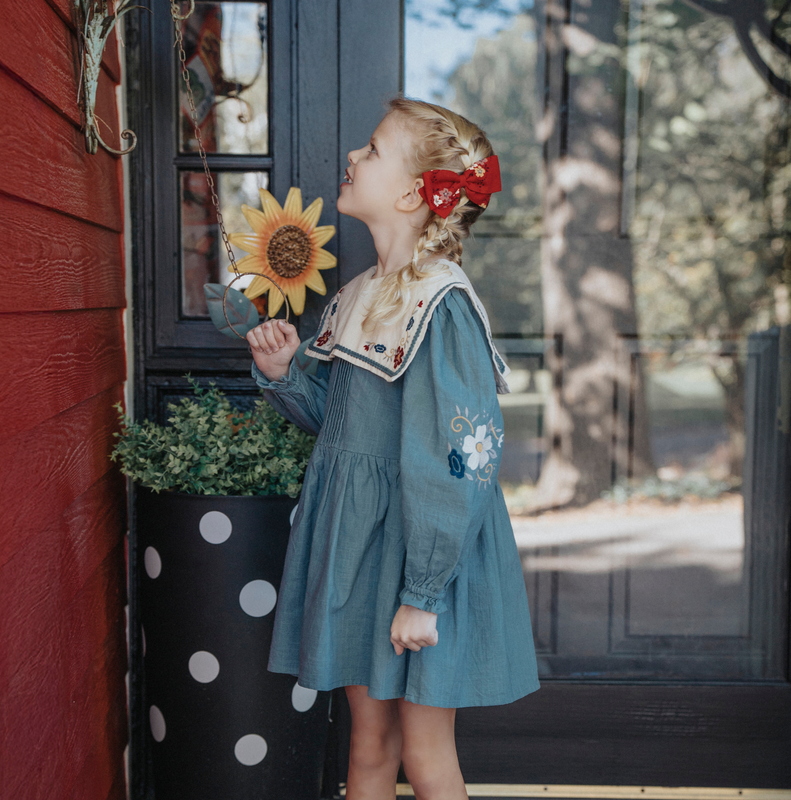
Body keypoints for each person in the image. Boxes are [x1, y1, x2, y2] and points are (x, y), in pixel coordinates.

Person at [246, 96, 539, 800]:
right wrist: (286, 377)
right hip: (359, 550)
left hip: (418, 554)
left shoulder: (442, 304)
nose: (352, 156)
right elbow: (347, 430)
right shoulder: (357, 296)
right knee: (368, 742)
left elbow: (461, 460)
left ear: (413, 193)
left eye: (372, 149)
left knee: (425, 753)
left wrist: (423, 593)